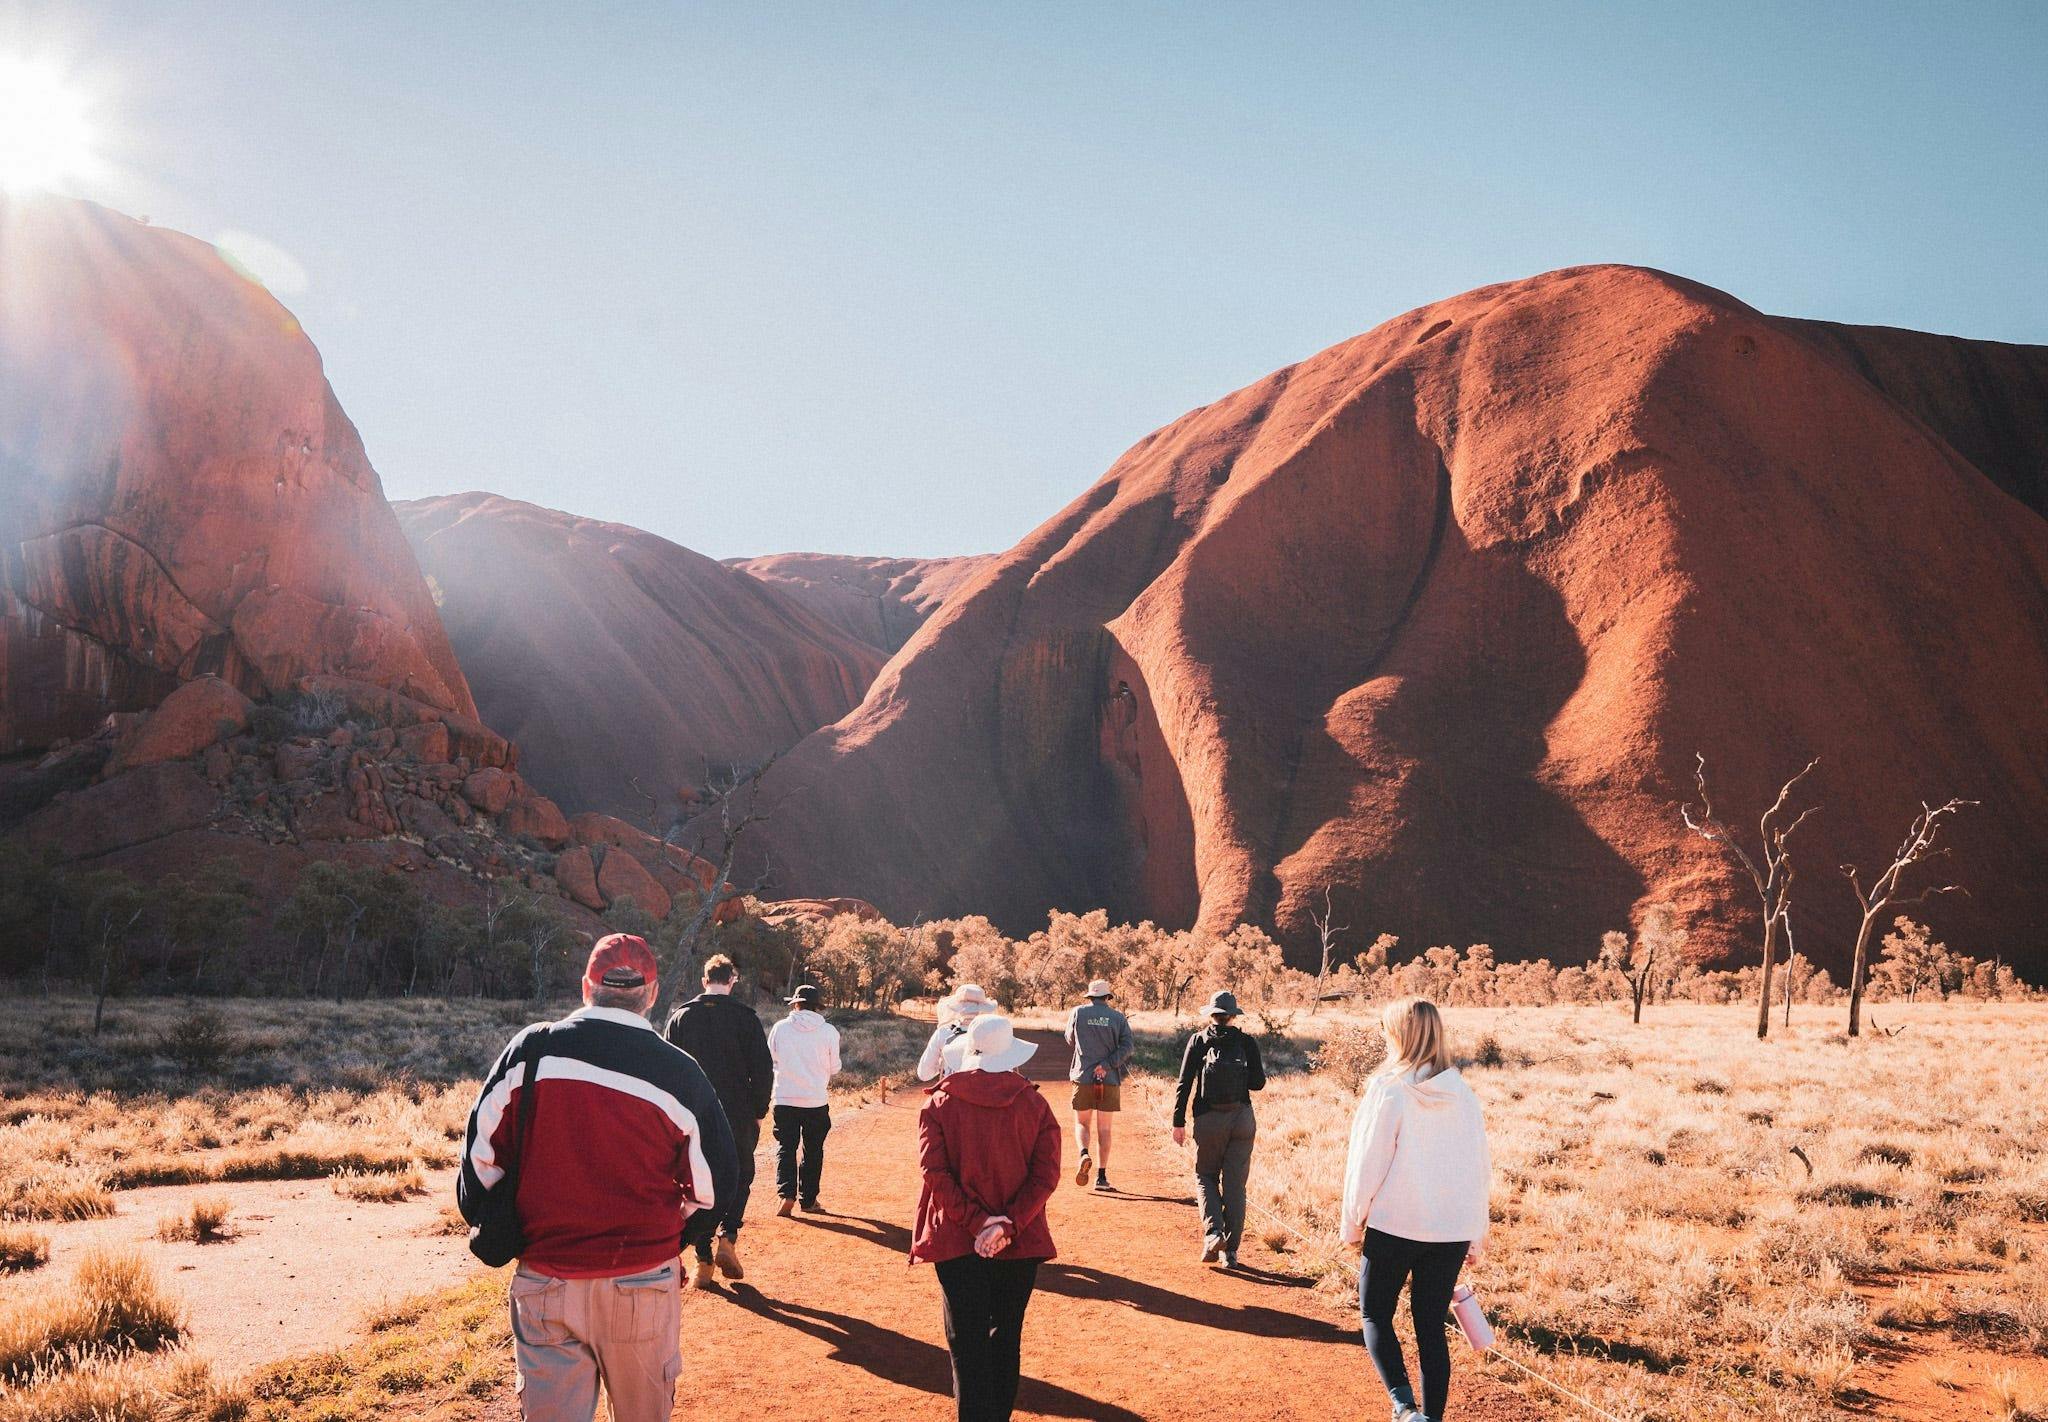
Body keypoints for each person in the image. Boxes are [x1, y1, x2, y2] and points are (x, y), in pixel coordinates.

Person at [458, 934, 740, 1422]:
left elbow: (478, 1166)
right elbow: (718, 1182)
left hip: (547, 1280)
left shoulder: (531, 1051)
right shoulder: (678, 1072)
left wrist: (512, 1222)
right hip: (642, 1282)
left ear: (585, 986)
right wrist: (674, 1237)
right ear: (651, 994)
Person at [1340, 997, 1492, 1422]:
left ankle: (1406, 1408)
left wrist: (1353, 1222)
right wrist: (1476, 1233)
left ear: (1400, 1035)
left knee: (1374, 1313)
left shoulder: (1388, 1088)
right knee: (1430, 1327)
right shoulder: (1463, 1094)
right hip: (1450, 1231)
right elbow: (1479, 1168)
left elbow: (1367, 1161)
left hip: (1395, 1225)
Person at [910, 1013, 1062, 1422]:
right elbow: (1046, 1175)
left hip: (956, 1239)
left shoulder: (939, 1103)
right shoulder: (1035, 1104)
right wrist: (1007, 1224)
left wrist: (979, 1224)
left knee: (966, 1341)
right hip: (1021, 1240)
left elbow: (934, 1174)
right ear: (1011, 1055)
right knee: (1005, 1337)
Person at [663, 953, 773, 1290]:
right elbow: (763, 1069)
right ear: (732, 980)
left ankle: (703, 1260)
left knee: (696, 1184)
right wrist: (759, 1111)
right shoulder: (746, 1018)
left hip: (693, 1115)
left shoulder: (680, 1017)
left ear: (703, 981)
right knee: (740, 1175)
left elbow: (665, 1069)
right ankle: (729, 1236)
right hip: (738, 1113)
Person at [1169, 989, 1266, 1269]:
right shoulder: (1247, 1042)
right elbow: (1258, 1084)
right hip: (1242, 1120)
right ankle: (1230, 1253)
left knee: (1205, 1176)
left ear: (1211, 1014)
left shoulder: (1198, 1040)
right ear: (1234, 1015)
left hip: (1209, 1119)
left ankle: (1213, 1233)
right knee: (1235, 1186)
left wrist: (1178, 1122)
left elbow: (1184, 1083)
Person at [767, 983, 841, 1214]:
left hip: (784, 1097)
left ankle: (786, 1195)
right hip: (815, 1101)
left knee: (785, 1147)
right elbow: (835, 1067)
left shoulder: (780, 1028)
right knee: (813, 1150)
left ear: (796, 1004)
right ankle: (808, 1200)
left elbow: (771, 1058)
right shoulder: (829, 1031)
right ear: (817, 1007)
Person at [1063, 979, 1133, 1191]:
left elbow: (1069, 1039)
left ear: (1090, 996)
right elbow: (1128, 1046)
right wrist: (1107, 1064)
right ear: (1107, 997)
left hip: (1083, 1076)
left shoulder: (1078, 1013)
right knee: (1105, 1128)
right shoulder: (1118, 1017)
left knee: (1082, 1123)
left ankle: (1084, 1154)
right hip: (1108, 1079)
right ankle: (1101, 1178)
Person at [919, 982, 998, 1082]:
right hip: (985, 1093)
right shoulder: (994, 1033)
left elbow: (924, 1074)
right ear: (982, 1008)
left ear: (958, 1007)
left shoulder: (943, 1033)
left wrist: (945, 1062)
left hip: (951, 1093)